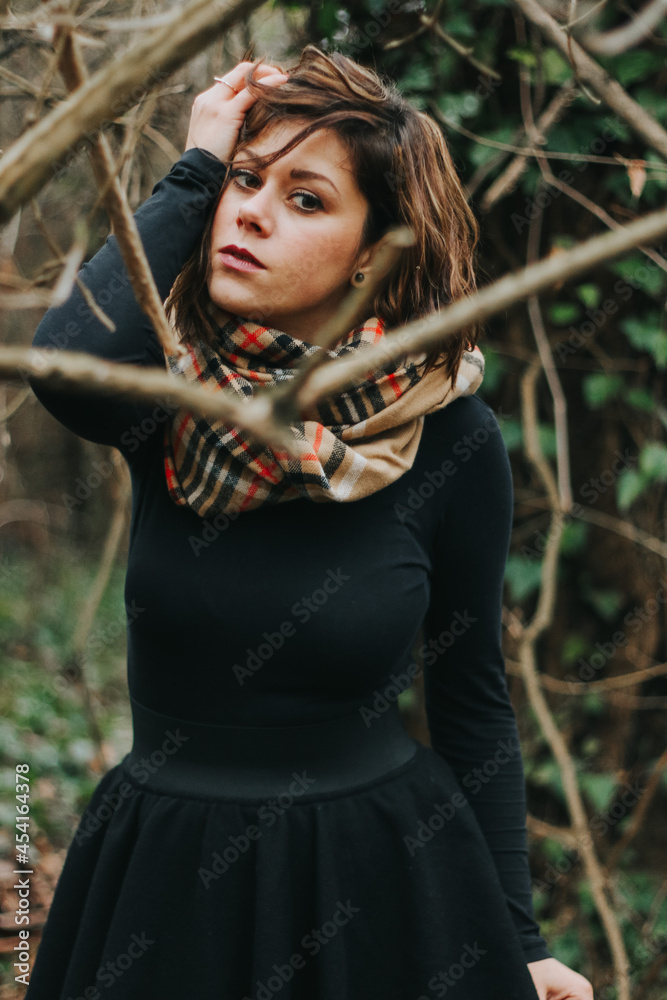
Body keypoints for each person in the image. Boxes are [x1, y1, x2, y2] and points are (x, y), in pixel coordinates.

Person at [24, 44, 593, 1000]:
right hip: (165, 876)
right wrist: (195, 166)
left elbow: (470, 695)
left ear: (373, 253)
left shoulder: (449, 434)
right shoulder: (170, 398)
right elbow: (65, 363)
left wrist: (518, 938)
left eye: (306, 198)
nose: (250, 211)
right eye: (247, 181)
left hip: (379, 875)